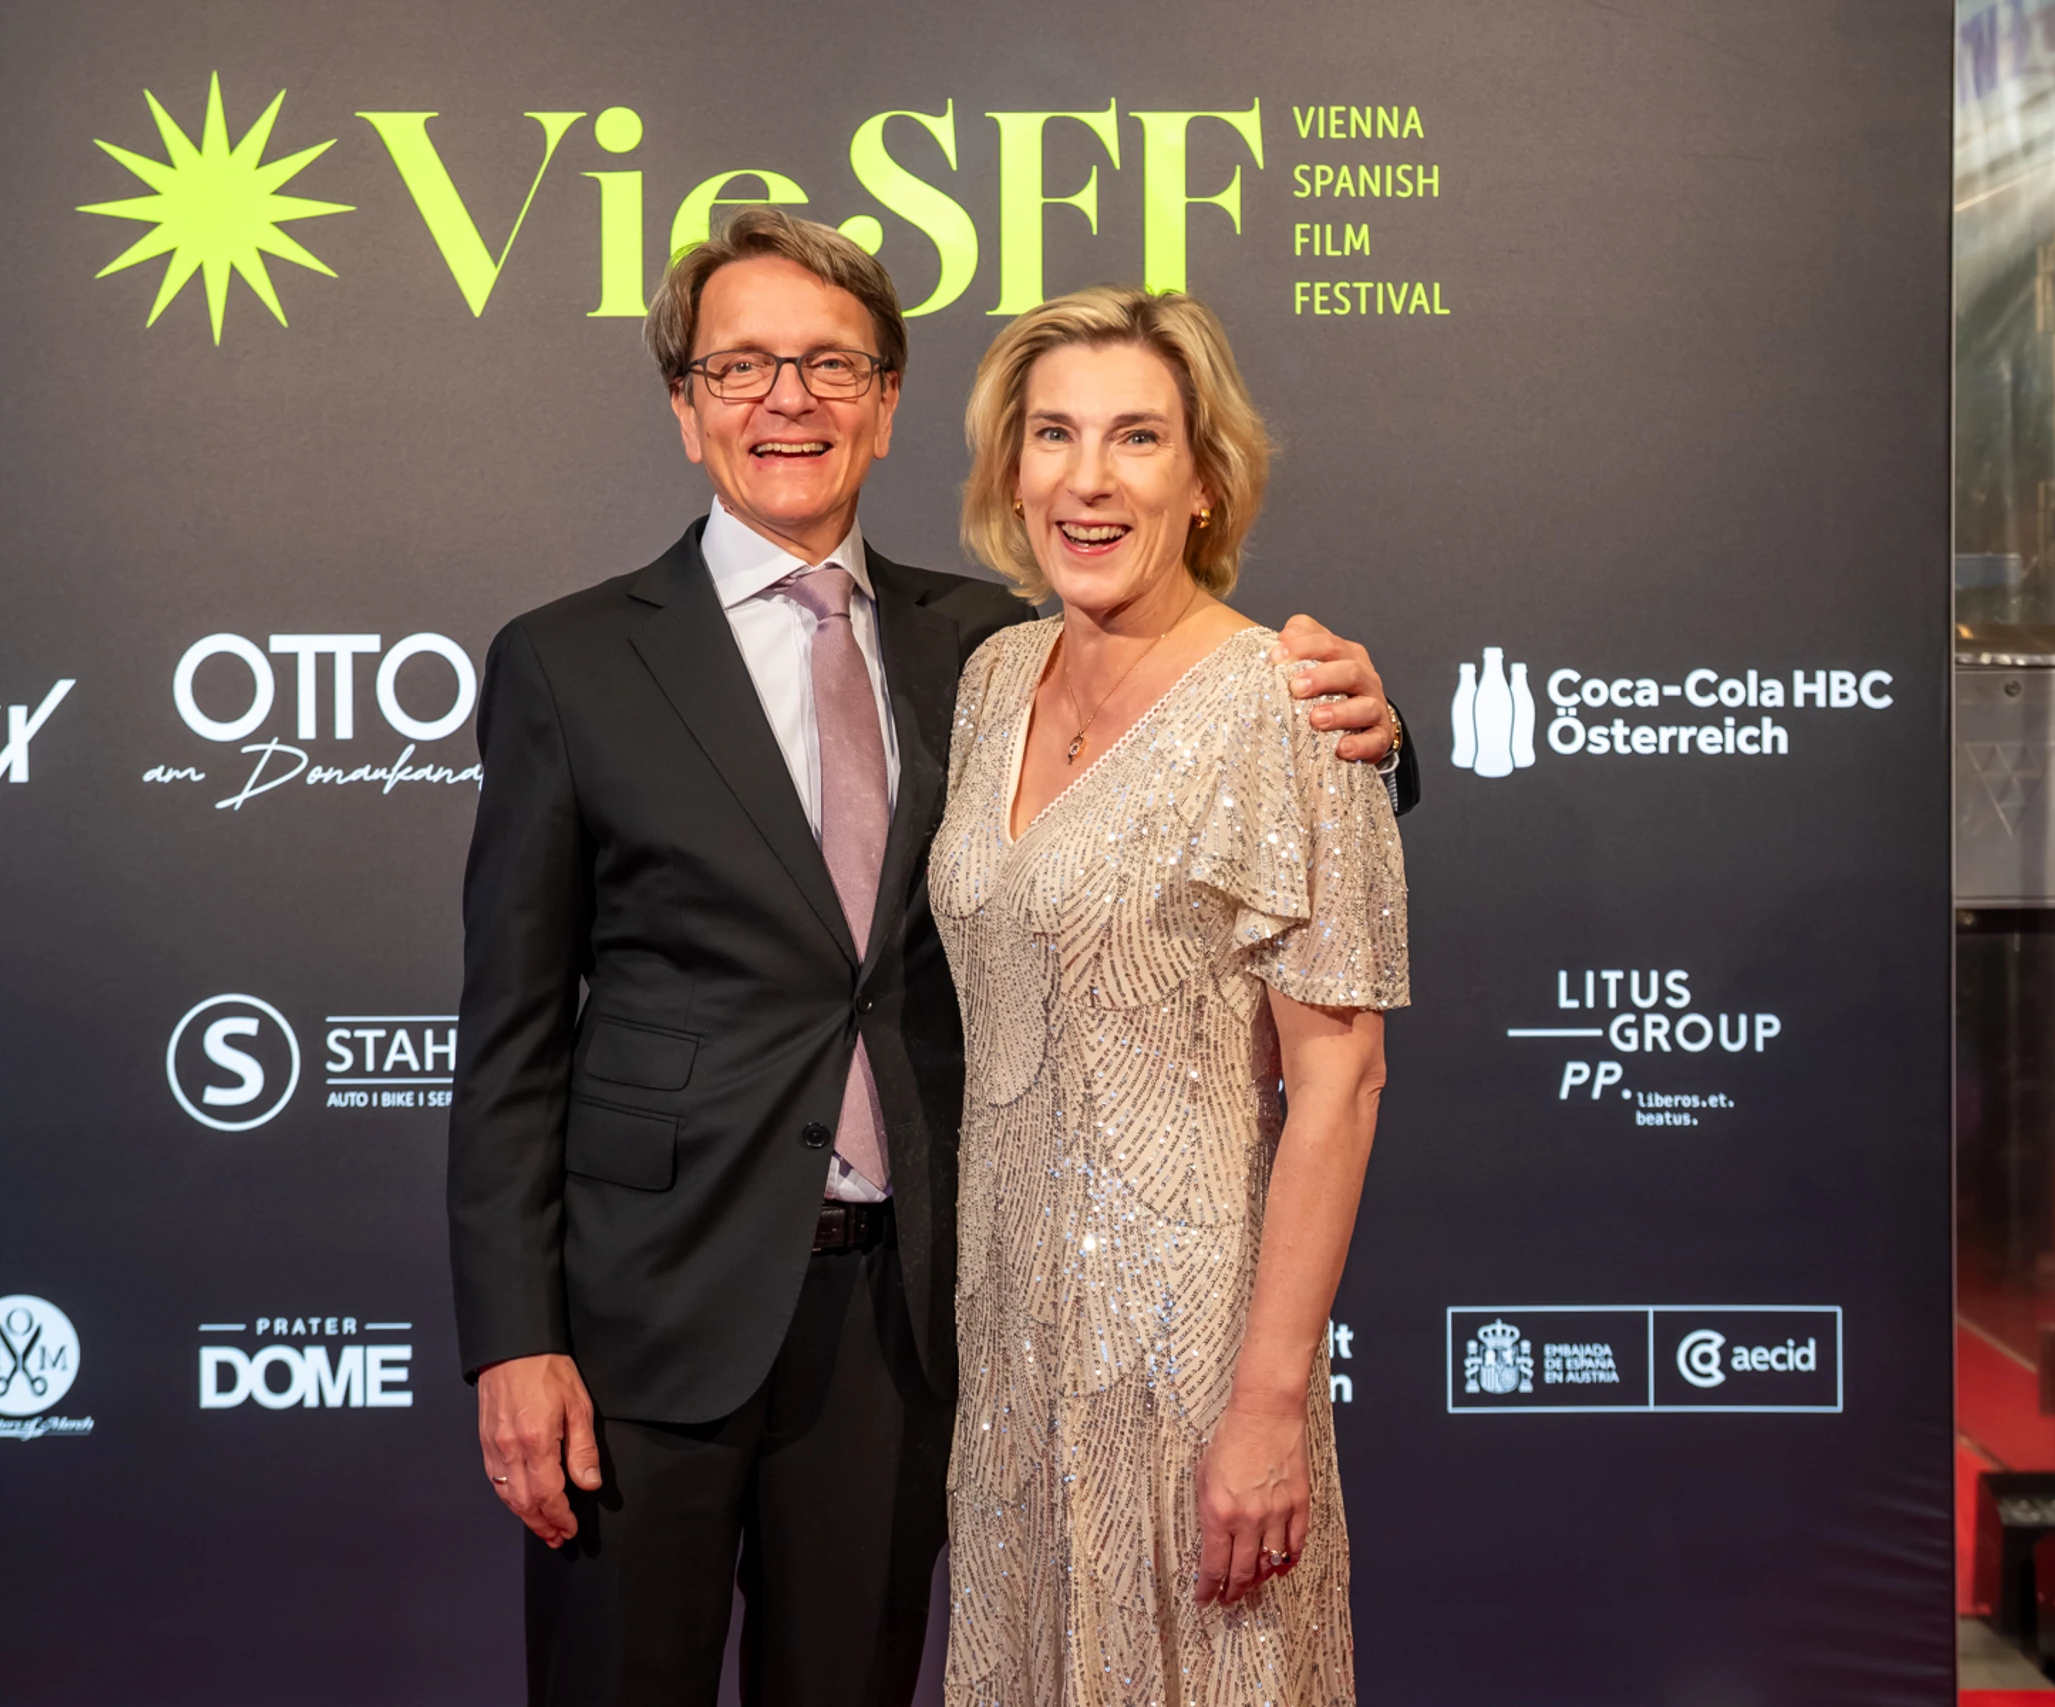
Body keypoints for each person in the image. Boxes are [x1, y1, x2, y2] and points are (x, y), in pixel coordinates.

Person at [448, 210, 1409, 1707]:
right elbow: (511, 1035)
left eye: (831, 365)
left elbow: (1215, 734)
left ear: (888, 405)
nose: (789, 400)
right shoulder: (568, 662)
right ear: (686, 406)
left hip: (907, 1330)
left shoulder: (982, 643)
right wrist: (515, 1339)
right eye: (742, 366)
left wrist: (1378, 735)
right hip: (646, 1324)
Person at [931, 285, 1406, 1704]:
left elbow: (1340, 1082)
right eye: (1054, 434)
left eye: (1137, 437)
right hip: (1008, 1354)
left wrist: (1269, 1402)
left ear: (1206, 481)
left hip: (1194, 1356)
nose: (1089, 478)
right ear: (1011, 470)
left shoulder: (1293, 704)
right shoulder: (994, 678)